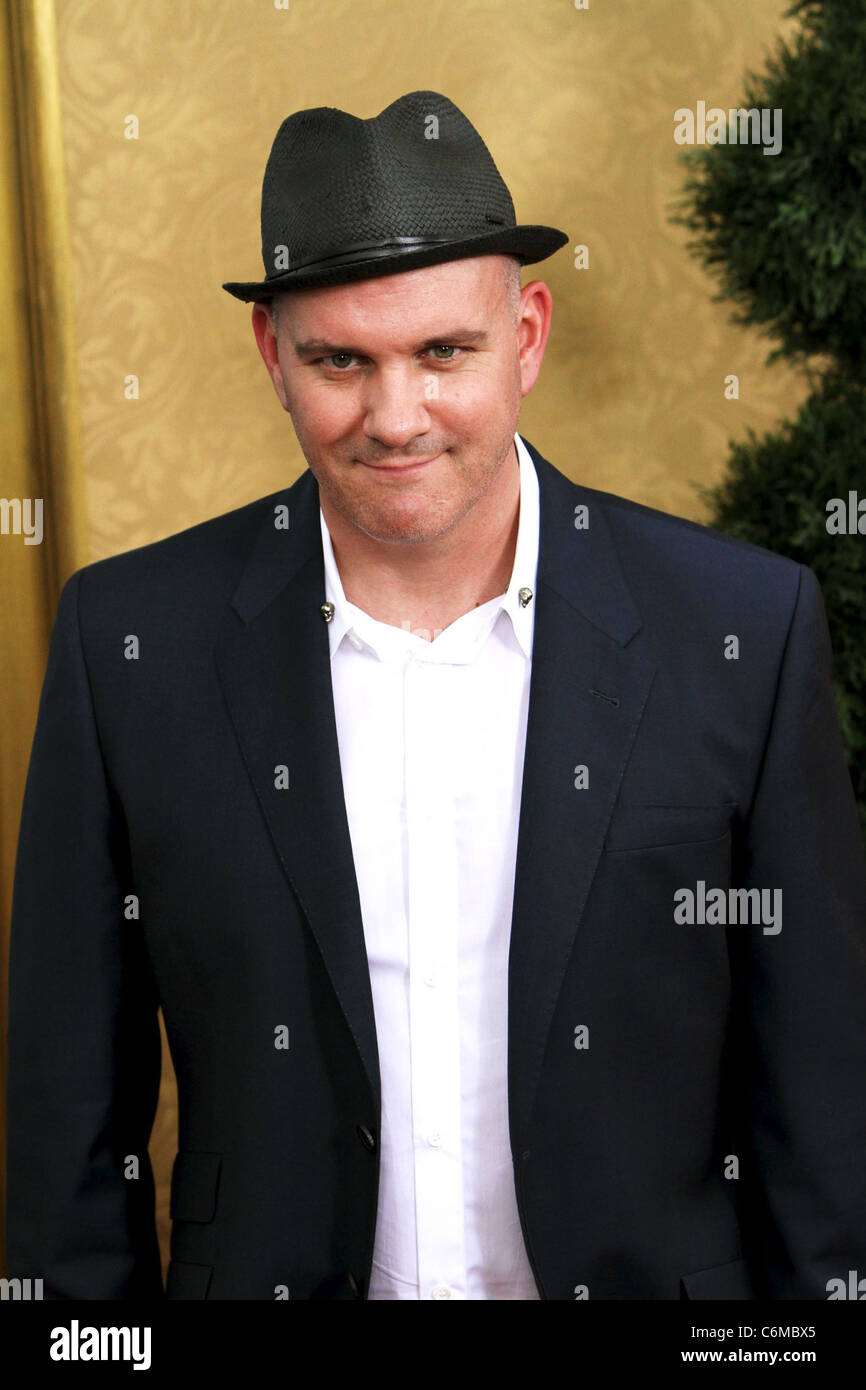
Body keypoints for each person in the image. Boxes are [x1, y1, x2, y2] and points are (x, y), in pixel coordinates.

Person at [6, 90, 866, 1301]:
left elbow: (824, 1108)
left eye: (443, 352)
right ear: (274, 359)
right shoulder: (127, 641)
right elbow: (64, 1126)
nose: (394, 415)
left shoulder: (741, 627)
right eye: (339, 360)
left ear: (525, 335)